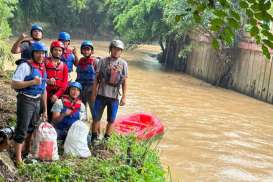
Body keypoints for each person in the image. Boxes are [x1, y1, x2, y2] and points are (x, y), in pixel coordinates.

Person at [11, 42, 47, 165]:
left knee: (31, 127)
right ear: (33, 53)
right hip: (25, 99)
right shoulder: (25, 66)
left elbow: (43, 90)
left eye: (43, 53)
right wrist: (31, 82)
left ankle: (26, 151)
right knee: (22, 128)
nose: (41, 55)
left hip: (37, 100)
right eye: (38, 52)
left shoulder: (43, 68)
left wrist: (45, 109)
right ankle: (18, 158)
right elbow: (14, 84)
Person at [90, 40, 128, 143]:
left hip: (114, 97)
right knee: (96, 118)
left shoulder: (123, 64)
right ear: (110, 49)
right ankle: (94, 138)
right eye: (114, 48)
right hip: (101, 95)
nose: (116, 51)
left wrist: (124, 97)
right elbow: (96, 79)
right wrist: (94, 94)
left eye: (119, 50)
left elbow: (124, 82)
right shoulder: (102, 61)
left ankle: (106, 140)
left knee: (111, 120)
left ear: (121, 51)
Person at [45, 40, 69, 122]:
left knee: (54, 117)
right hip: (44, 94)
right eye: (55, 50)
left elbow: (65, 83)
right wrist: (47, 80)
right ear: (51, 50)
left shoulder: (64, 66)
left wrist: (57, 95)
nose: (57, 52)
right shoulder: (45, 62)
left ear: (62, 52)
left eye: (60, 50)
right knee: (42, 114)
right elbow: (39, 76)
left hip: (57, 95)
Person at [76, 40, 98, 115]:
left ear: (92, 51)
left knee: (93, 108)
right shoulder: (81, 61)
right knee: (82, 108)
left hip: (91, 89)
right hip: (81, 88)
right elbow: (78, 75)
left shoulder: (95, 61)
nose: (86, 51)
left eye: (88, 49)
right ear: (81, 51)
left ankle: (95, 124)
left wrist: (96, 90)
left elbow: (99, 77)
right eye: (84, 49)